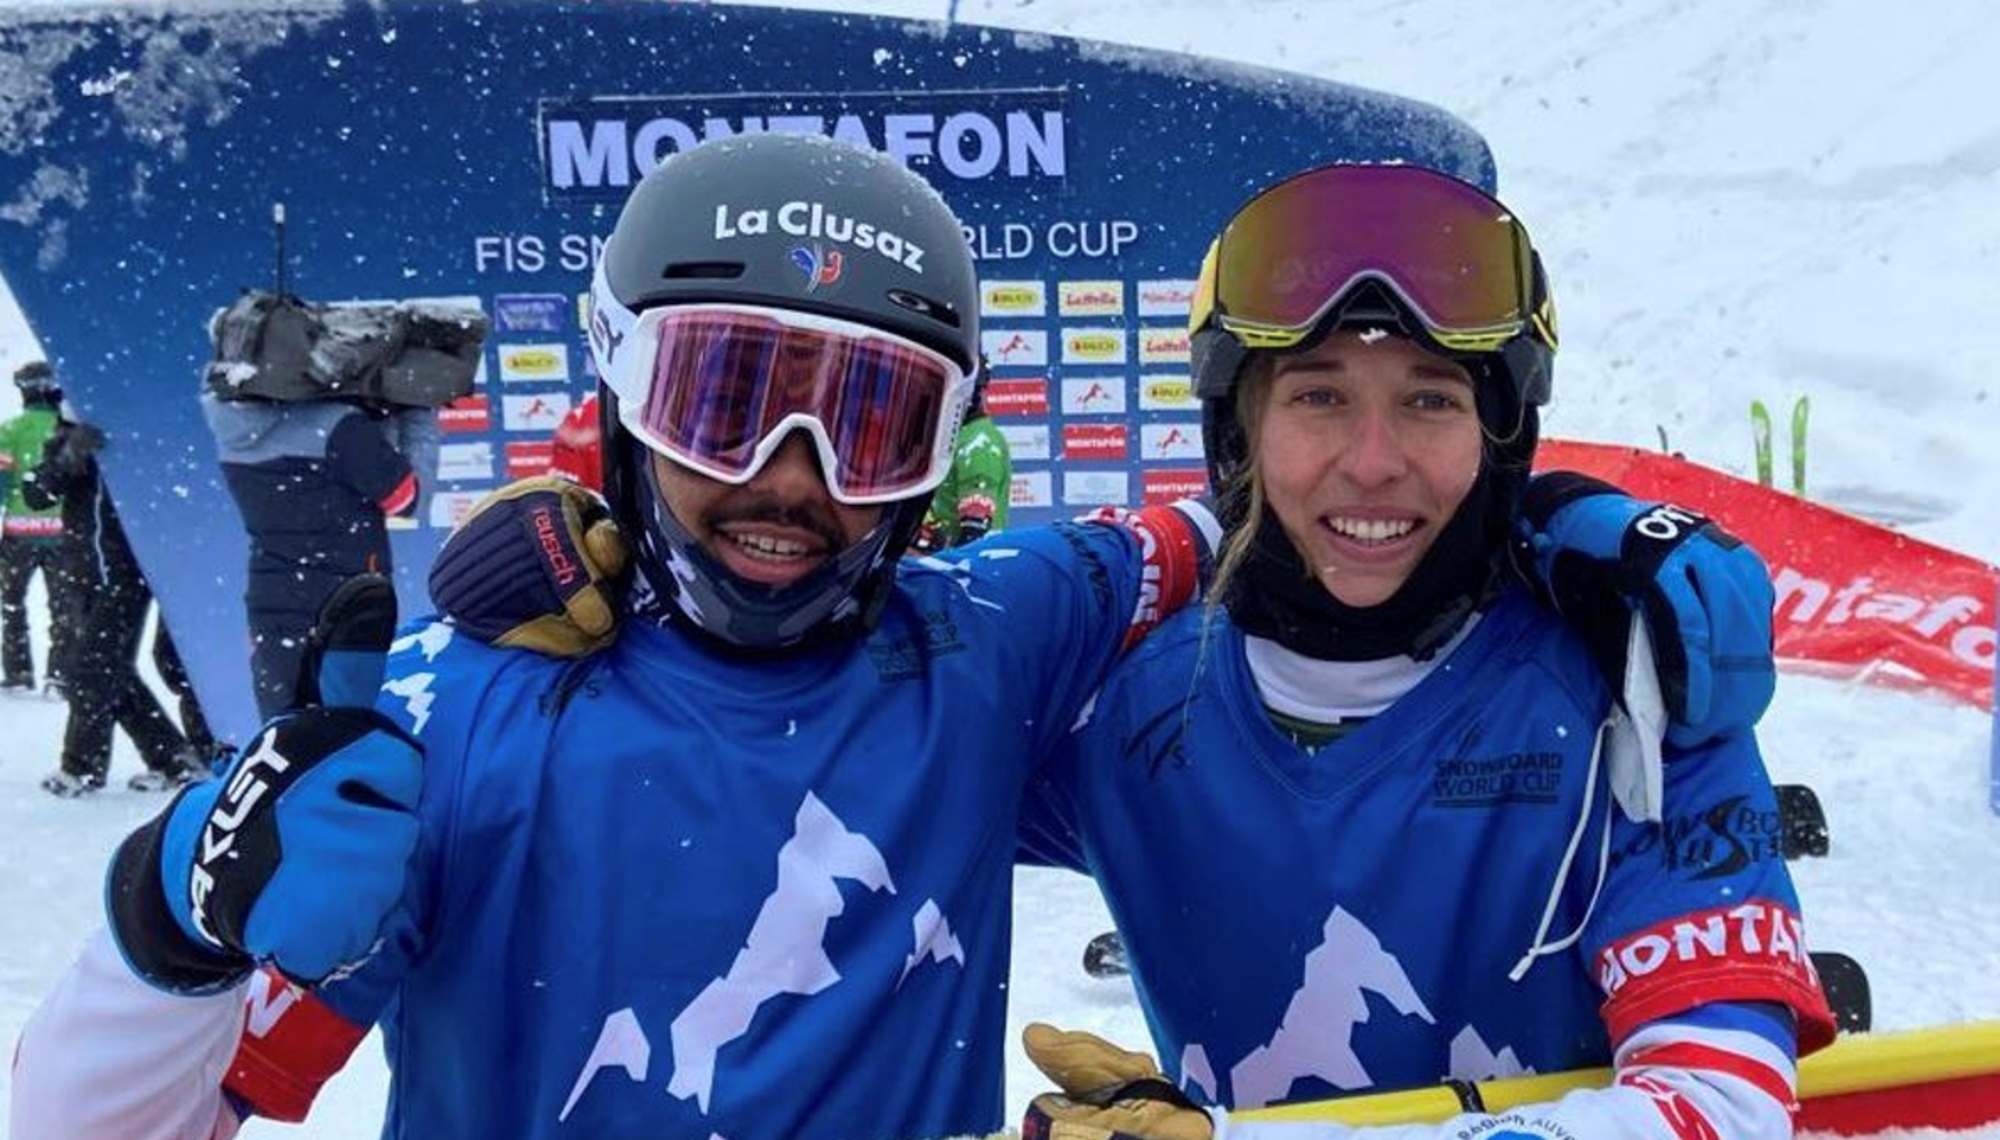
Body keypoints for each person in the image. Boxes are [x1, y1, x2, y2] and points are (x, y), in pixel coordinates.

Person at [12, 138, 1774, 1140]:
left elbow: (1233, 526)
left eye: (870, 423)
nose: (790, 485)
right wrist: (171, 920)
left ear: (941, 463)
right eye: (724, 401)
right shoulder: (457, 712)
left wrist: (1566, 525)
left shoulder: (988, 642)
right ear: (617, 405)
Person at [1010, 163, 1833, 1140]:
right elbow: (851, 743)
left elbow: (1721, 1105)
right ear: (1238, 434)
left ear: (1500, 433)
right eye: (1317, 398)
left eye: (1429, 400)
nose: (1371, 461)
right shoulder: (1128, 701)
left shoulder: (1633, 693)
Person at [200, 385, 421, 719]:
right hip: (350, 602)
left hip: (270, 601)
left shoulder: (232, 428)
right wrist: (420, 414)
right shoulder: (340, 426)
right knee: (352, 731)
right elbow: (407, 499)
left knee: (280, 733)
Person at [21, 403, 206, 796]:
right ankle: (173, 757)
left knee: (93, 668)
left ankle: (84, 767)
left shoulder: (142, 426)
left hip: (127, 572)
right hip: (89, 570)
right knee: (106, 668)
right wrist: (70, 455)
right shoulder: (70, 433)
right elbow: (36, 492)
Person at [0, 359, 75, 694]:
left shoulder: (10, 431)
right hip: (63, 534)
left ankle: (18, 674)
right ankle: (59, 674)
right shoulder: (68, 429)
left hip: (19, 535)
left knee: (11, 603)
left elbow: (1, 484)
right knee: (64, 607)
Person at [913, 353, 1011, 552]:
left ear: (976, 392)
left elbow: (974, 532)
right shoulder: (954, 436)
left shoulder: (979, 443)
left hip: (967, 566)